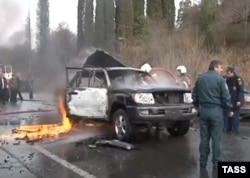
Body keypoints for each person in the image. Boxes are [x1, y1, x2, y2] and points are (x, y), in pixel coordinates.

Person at [192, 60, 233, 169]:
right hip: (216, 111)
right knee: (216, 138)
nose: (221, 70)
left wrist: (196, 105)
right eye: (220, 68)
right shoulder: (220, 80)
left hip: (203, 111)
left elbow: (194, 94)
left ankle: (203, 162)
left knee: (204, 138)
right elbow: (225, 96)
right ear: (215, 67)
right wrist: (229, 109)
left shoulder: (200, 79)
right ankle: (216, 163)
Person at [225, 66, 244, 134]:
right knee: (229, 115)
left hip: (236, 100)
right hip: (230, 100)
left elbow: (240, 90)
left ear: (232, 72)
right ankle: (229, 128)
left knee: (235, 115)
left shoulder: (238, 79)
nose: (227, 74)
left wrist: (239, 100)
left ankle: (235, 129)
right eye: (227, 73)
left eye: (228, 73)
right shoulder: (227, 80)